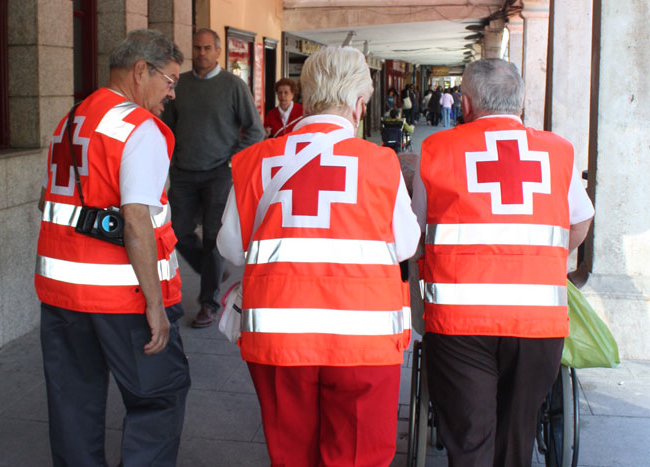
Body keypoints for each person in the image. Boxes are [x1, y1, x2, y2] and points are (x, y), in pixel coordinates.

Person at [217, 46, 420, 466]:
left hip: (278, 336)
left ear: (305, 97)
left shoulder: (256, 160)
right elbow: (405, 245)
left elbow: (231, 248)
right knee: (359, 454)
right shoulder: (380, 163)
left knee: (291, 453)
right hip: (363, 340)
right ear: (359, 105)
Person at [411, 58, 595, 467]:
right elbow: (580, 221)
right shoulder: (557, 152)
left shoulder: (437, 150)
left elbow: (417, 233)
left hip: (460, 322)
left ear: (466, 103)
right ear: (522, 100)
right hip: (537, 323)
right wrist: (547, 260)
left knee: (470, 439)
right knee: (517, 437)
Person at [35, 29, 191, 466]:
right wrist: (155, 306)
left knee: (72, 407)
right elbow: (137, 220)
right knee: (159, 397)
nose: (172, 94)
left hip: (61, 294)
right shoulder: (139, 127)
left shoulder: (72, 119)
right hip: (123, 298)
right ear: (141, 70)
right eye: (170, 80)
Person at [162, 28, 264, 328]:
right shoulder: (179, 85)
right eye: (197, 47)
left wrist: (233, 162)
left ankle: (209, 303)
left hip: (219, 173)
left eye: (207, 48)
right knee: (176, 233)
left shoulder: (233, 86)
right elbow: (166, 127)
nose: (201, 53)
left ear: (218, 52)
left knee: (212, 238)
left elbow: (255, 131)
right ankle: (214, 272)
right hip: (183, 172)